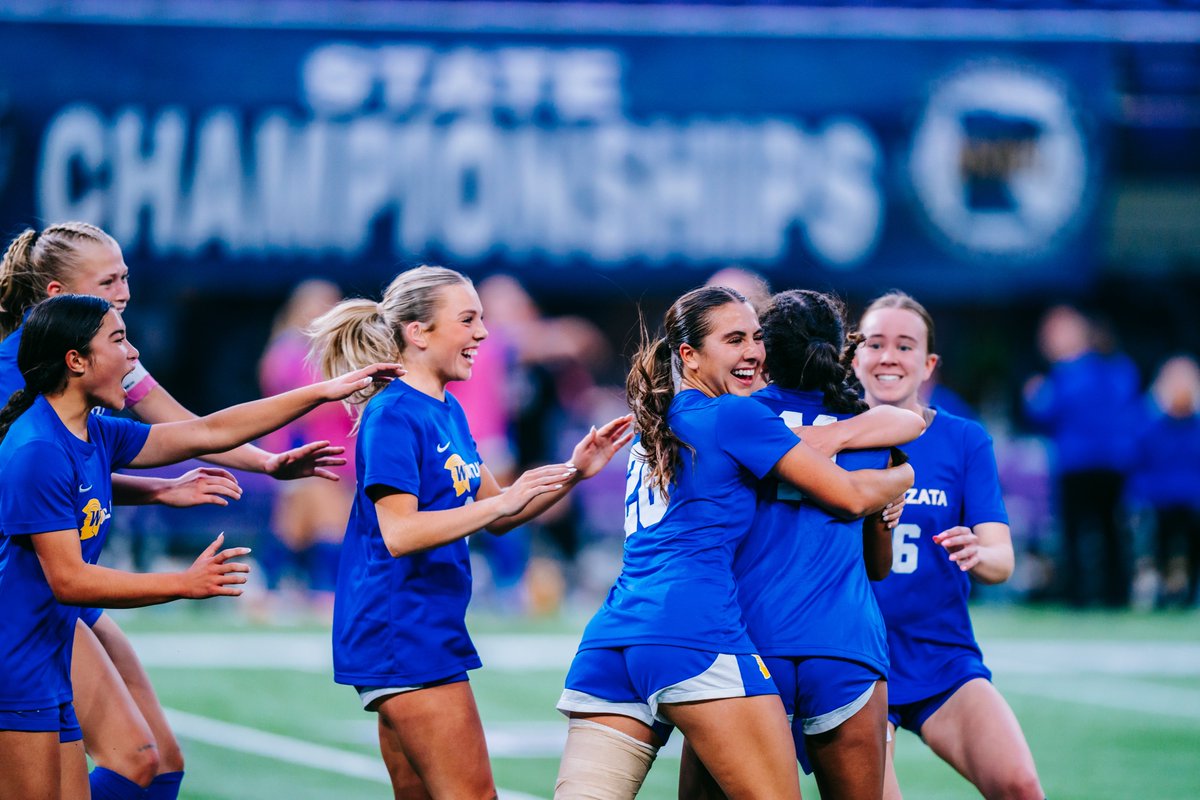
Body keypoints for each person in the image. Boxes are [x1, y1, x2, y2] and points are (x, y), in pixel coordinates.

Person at [0, 293, 398, 800]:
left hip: (47, 657)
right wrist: (183, 584)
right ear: (75, 361)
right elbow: (70, 580)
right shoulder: (37, 448)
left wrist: (322, 392)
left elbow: (208, 431)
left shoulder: (91, 433)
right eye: (118, 340)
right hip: (16, 664)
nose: (133, 355)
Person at [554, 286, 915, 800]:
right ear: (689, 355)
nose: (751, 351)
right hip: (696, 633)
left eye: (757, 338)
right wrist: (903, 476)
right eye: (734, 339)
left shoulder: (654, 426)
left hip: (612, 639)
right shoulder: (738, 416)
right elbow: (854, 497)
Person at [307, 265, 633, 799]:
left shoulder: (445, 408)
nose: (483, 333)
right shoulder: (394, 414)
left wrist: (574, 471)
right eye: (467, 319)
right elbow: (400, 533)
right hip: (402, 628)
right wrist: (503, 499)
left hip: (421, 623)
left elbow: (499, 516)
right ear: (418, 333)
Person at [679, 289, 918, 800]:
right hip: (845, 645)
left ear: (767, 351)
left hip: (746, 643)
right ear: (841, 351)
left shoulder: (731, 418)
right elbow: (879, 567)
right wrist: (897, 481)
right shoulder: (870, 429)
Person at [855, 291, 1043, 800]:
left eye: (904, 345)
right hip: (854, 660)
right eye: (874, 343)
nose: (888, 356)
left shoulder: (963, 440)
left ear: (929, 363)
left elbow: (1001, 558)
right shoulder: (830, 437)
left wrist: (980, 555)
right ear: (853, 355)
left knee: (1020, 785)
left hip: (940, 654)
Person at [1023, 305, 1141, 608]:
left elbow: (1045, 412)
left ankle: (1079, 595)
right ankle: (1117, 594)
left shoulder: (1067, 373)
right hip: (1113, 463)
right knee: (1111, 530)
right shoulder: (1121, 369)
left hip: (1078, 463)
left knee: (1078, 531)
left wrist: (1035, 395)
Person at [258, 279, 356, 616]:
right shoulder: (288, 349)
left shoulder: (337, 350)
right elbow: (300, 402)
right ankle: (318, 592)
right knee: (319, 520)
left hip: (335, 450)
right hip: (303, 449)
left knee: (299, 525)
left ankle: (275, 589)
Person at [1129, 355, 1200, 608]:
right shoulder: (1148, 424)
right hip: (1158, 500)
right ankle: (1159, 587)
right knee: (1156, 535)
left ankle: (1190, 591)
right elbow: (1136, 462)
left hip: (1193, 501)